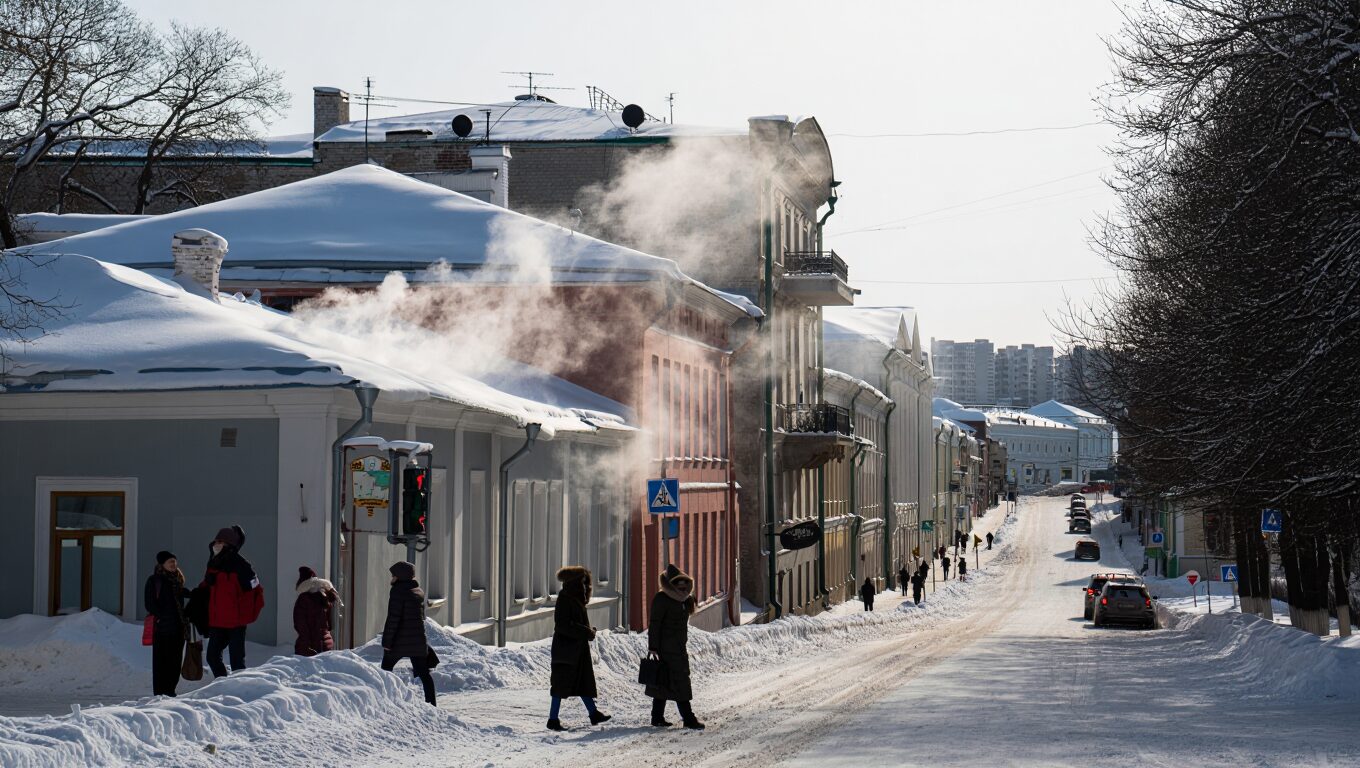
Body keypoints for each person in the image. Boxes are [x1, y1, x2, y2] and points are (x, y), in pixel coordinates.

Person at [547, 566, 610, 731]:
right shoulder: (565, 598)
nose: (584, 586)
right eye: (582, 582)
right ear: (575, 583)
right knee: (561, 684)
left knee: (582, 681)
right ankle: (552, 719)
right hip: (566, 649)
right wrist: (585, 631)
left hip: (576, 648)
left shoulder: (576, 598)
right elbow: (563, 625)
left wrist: (588, 632)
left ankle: (593, 713)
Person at [201, 525, 264, 678]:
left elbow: (255, 593)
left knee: (237, 663)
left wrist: (243, 615)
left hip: (236, 622)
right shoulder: (213, 563)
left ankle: (239, 692)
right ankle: (223, 685)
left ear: (228, 544)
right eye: (216, 541)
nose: (216, 544)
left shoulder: (242, 566)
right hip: (217, 621)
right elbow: (208, 586)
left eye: (220, 541)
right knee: (212, 657)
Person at [646, 564, 704, 730]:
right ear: (670, 584)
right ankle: (688, 718)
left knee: (663, 683)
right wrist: (653, 647)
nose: (682, 587)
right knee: (680, 682)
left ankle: (657, 717)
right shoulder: (662, 599)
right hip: (665, 649)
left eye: (684, 584)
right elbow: (655, 624)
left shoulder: (685, 600)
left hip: (678, 648)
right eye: (678, 584)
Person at [381, 561, 436, 706]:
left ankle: (383, 702)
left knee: (385, 671)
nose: (391, 578)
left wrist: (387, 642)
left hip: (400, 640)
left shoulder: (398, 592)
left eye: (393, 575)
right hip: (417, 639)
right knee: (424, 673)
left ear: (399, 576)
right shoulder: (417, 591)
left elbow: (393, 618)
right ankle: (432, 704)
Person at [145, 550, 188, 696]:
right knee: (161, 663)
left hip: (178, 629)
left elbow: (185, 596)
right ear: (162, 564)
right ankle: (160, 694)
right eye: (170, 562)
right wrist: (161, 617)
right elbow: (149, 604)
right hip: (162, 629)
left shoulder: (177, 581)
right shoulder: (154, 581)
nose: (173, 564)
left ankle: (170, 691)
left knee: (175, 663)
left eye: (174, 562)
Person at [293, 566, 339, 657]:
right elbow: (330, 624)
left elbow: (300, 624)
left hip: (310, 645)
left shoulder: (304, 599)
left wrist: (305, 645)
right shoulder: (325, 598)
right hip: (327, 643)